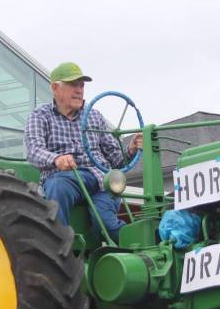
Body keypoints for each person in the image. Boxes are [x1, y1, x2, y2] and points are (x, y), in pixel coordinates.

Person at [24, 61, 143, 241]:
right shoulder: (40, 115)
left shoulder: (94, 116)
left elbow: (116, 160)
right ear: (55, 88)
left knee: (106, 224)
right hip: (65, 178)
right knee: (57, 186)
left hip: (99, 181)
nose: (79, 90)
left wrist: (131, 149)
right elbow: (33, 150)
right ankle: (59, 249)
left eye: (81, 85)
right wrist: (57, 159)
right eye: (73, 85)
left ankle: (137, 247)